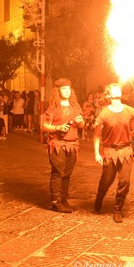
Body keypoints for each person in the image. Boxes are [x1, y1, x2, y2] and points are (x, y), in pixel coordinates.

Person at [93, 83, 134, 223]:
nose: (116, 88)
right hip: (110, 151)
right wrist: (96, 153)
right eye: (113, 88)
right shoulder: (104, 113)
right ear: (108, 95)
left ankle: (117, 209)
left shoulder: (130, 110)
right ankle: (99, 197)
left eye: (117, 87)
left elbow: (133, 126)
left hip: (125, 150)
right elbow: (96, 135)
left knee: (125, 181)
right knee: (106, 182)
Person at [43, 78, 85, 213]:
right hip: (58, 144)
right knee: (58, 173)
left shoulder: (75, 106)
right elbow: (44, 126)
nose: (66, 91)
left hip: (72, 144)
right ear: (58, 90)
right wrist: (58, 127)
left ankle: (63, 199)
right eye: (63, 89)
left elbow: (82, 125)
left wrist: (80, 122)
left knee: (67, 174)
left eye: (68, 89)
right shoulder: (53, 107)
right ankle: (55, 202)